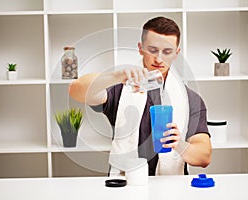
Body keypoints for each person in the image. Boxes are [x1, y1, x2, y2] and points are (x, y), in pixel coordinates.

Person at [69, 16, 211, 175]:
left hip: (172, 188)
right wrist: (117, 76)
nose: (159, 58)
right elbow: (76, 90)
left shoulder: (189, 99)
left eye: (167, 51)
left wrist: (179, 144)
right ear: (140, 48)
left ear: (176, 53)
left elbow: (204, 157)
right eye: (152, 50)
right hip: (126, 185)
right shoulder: (121, 89)